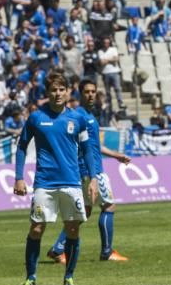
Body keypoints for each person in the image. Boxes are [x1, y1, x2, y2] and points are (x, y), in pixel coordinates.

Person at [13, 70, 100, 285]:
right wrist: (19, 177)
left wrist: (93, 179)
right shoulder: (36, 118)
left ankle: (68, 277)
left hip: (71, 182)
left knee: (72, 230)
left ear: (68, 92)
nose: (58, 93)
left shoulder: (77, 118)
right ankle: (31, 277)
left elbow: (87, 149)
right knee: (36, 229)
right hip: (45, 182)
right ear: (47, 92)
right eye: (54, 90)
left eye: (62, 89)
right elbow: (22, 146)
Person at [45, 79, 131, 264]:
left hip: (88, 170)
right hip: (92, 171)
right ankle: (107, 252)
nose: (91, 95)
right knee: (109, 206)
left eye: (93, 92)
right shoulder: (80, 116)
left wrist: (116, 155)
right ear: (80, 94)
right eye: (87, 92)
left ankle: (58, 248)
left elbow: (95, 145)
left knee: (85, 210)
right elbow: (78, 146)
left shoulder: (90, 116)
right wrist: (87, 172)